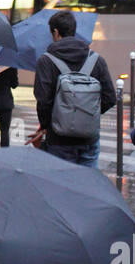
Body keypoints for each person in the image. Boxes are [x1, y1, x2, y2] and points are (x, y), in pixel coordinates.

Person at [33, 9, 116, 167]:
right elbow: (110, 98)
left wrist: (46, 126)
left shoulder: (46, 61)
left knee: (61, 186)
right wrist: (87, 114)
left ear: (56, 32)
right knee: (87, 186)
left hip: (59, 139)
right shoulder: (96, 60)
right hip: (88, 137)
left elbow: (43, 100)